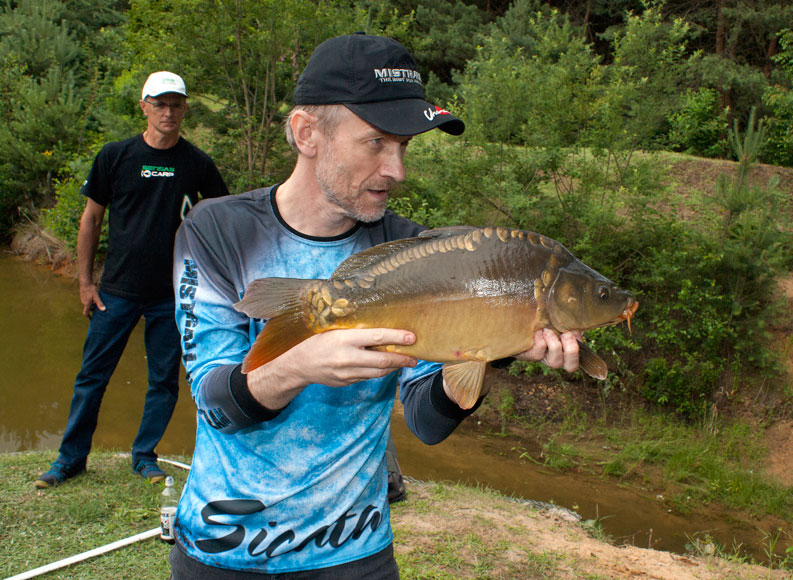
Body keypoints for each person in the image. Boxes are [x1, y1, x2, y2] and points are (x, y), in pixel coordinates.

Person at [169, 34, 580, 579]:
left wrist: (496, 347)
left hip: (355, 554)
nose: (398, 170)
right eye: (376, 144)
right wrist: (294, 369)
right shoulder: (218, 231)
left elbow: (429, 423)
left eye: (404, 146)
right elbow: (216, 404)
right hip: (223, 548)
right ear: (306, 133)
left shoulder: (422, 255)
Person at [34, 71, 230, 489]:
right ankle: (70, 460)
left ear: (184, 109)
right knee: (92, 376)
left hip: (172, 297)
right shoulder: (115, 156)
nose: (169, 112)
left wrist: (212, 286)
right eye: (160, 103)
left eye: (176, 104)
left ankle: (144, 456)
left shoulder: (197, 165)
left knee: (163, 380)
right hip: (115, 293)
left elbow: (218, 224)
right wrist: (85, 283)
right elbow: (91, 220)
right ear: (144, 106)